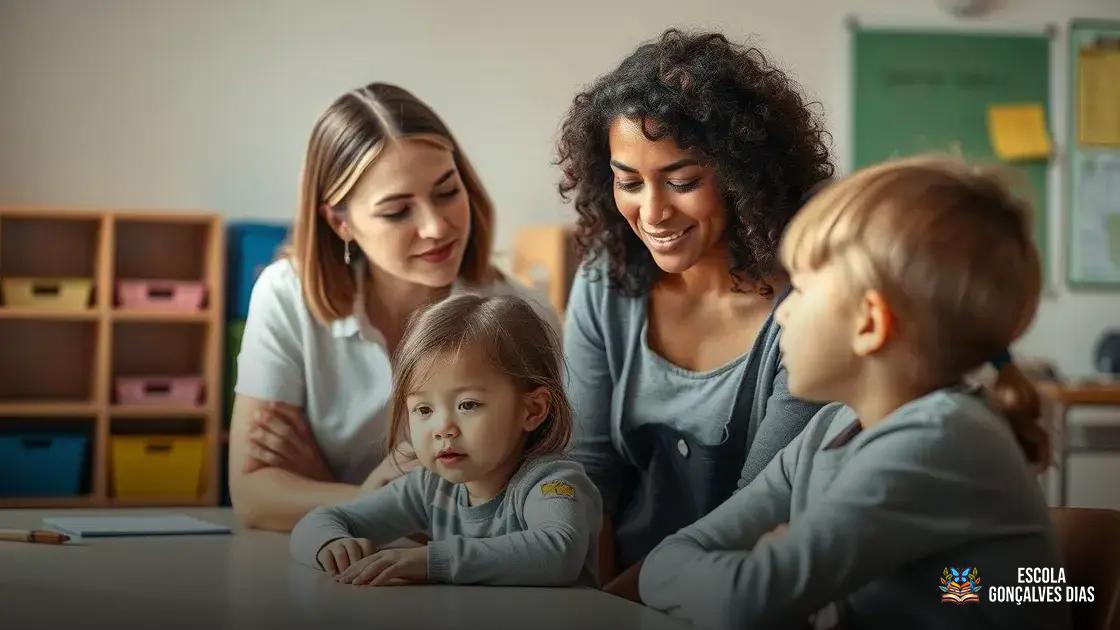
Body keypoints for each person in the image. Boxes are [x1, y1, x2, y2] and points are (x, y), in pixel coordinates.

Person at [640, 156, 1069, 630]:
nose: (779, 314)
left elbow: (746, 600)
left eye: (799, 289)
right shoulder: (828, 428)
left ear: (869, 323)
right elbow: (680, 555)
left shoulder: (940, 441)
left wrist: (694, 578)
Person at [555, 29, 833, 596]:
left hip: (743, 593)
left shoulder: (811, 304)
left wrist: (631, 600)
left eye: (682, 182)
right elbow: (589, 473)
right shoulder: (605, 280)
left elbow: (759, 507)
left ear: (741, 176)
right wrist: (595, 602)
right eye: (628, 182)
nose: (652, 212)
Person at [230, 83, 555, 531]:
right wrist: (368, 497)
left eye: (446, 192)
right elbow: (254, 497)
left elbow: (531, 501)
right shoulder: (287, 295)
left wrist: (325, 488)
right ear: (341, 222)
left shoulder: (520, 311)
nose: (436, 227)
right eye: (398, 211)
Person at [290, 294, 601, 587]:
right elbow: (318, 521)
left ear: (532, 410)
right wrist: (332, 544)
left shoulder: (552, 482)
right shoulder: (431, 487)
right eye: (424, 409)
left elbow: (560, 551)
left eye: (468, 405)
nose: (443, 429)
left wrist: (430, 561)